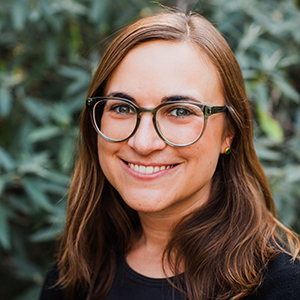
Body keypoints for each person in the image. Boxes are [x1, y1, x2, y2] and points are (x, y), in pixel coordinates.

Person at [39, 10, 300, 300]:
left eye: (180, 112)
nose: (143, 142)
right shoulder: (74, 272)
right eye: (122, 108)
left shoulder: (282, 286)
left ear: (229, 133)